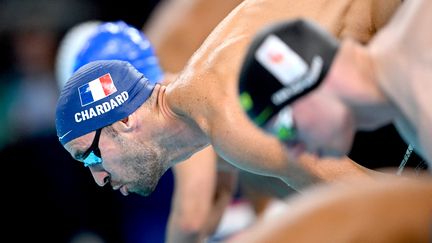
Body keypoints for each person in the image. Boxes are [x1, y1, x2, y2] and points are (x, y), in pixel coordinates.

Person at [55, 0, 405, 207]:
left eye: (89, 154)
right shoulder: (202, 117)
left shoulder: (225, 119)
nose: (97, 177)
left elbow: (373, 202)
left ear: (124, 121)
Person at [238, 0, 432, 169]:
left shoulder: (421, 91)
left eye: (286, 129)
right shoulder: (407, 116)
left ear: (309, 81)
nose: (294, 152)